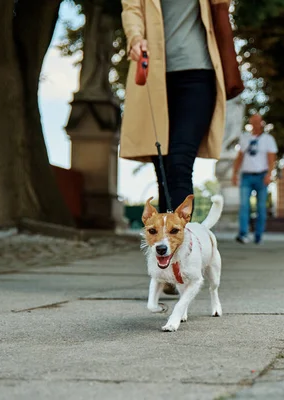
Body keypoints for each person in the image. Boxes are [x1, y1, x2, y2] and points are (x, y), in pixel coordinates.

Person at [120, 0, 230, 294]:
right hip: (156, 73)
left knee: (180, 161)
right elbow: (131, 9)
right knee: (164, 164)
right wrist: (134, 38)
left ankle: (184, 259)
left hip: (199, 72)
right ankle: (168, 257)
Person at [232, 114, 278, 244]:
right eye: (253, 121)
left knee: (261, 207)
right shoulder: (245, 138)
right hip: (246, 175)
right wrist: (234, 173)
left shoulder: (268, 139)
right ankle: (243, 234)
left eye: (257, 121)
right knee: (244, 206)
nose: (255, 124)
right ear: (250, 123)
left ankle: (258, 235)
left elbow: (271, 158)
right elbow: (239, 157)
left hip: (261, 175)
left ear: (261, 123)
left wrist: (269, 174)